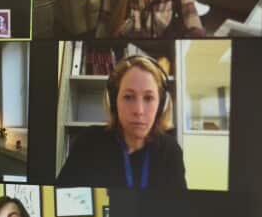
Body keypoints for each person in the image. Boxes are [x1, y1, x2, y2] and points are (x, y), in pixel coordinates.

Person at [57, 54, 187, 190]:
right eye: (128, 97)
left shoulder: (170, 151)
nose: (139, 110)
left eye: (148, 98)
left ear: (161, 105)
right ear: (114, 102)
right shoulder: (88, 142)